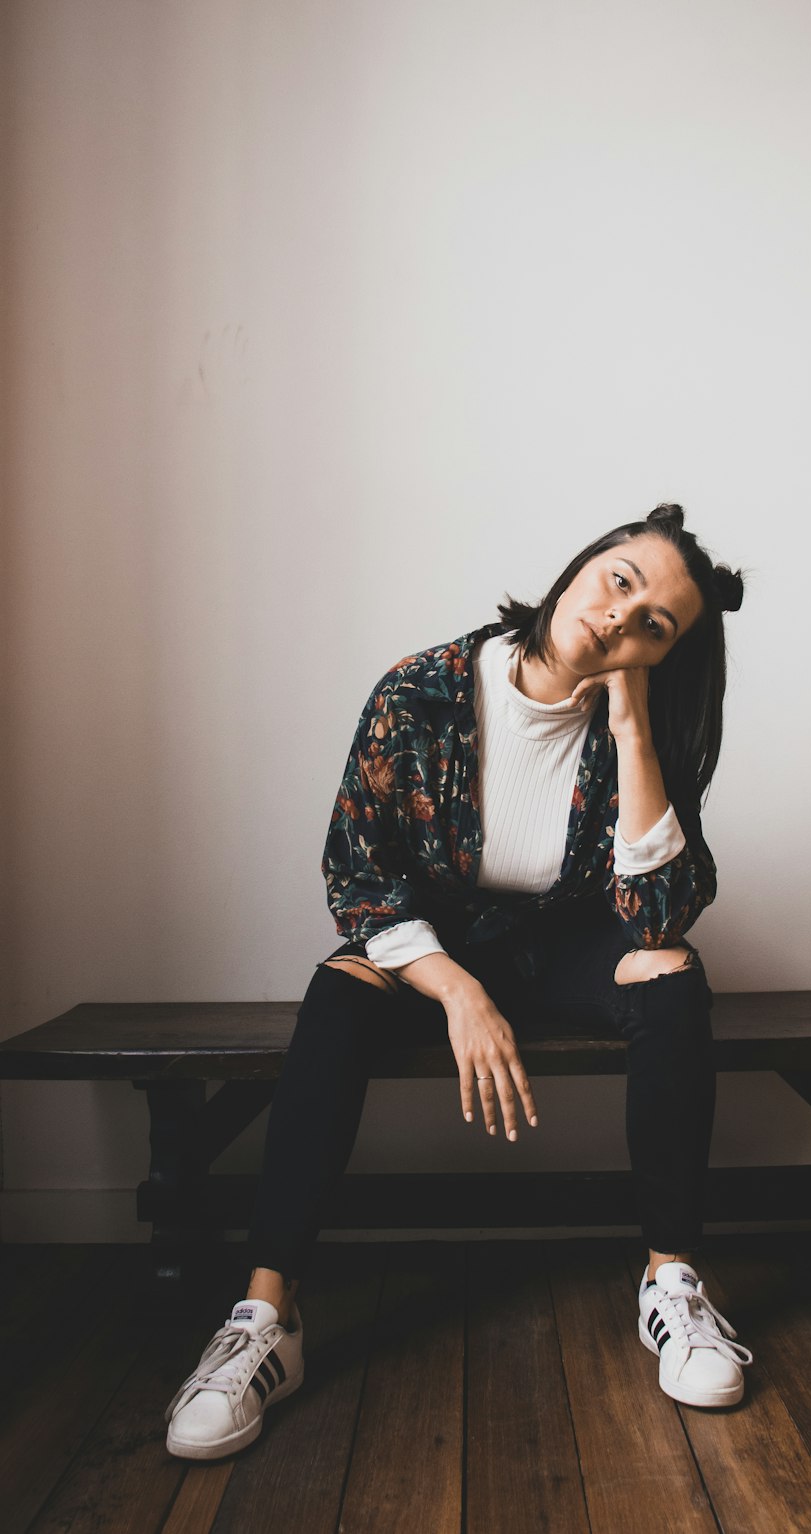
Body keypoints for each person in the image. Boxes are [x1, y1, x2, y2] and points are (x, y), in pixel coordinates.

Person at [164, 503, 752, 1460]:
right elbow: (356, 871)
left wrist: (633, 722)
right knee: (340, 986)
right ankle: (265, 1320)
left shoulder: (634, 722)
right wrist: (457, 991)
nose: (621, 618)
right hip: (438, 946)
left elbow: (657, 916)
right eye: (621, 581)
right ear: (583, 564)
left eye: (657, 625)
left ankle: (672, 1285)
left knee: (673, 973)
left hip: (561, 947)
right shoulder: (423, 689)